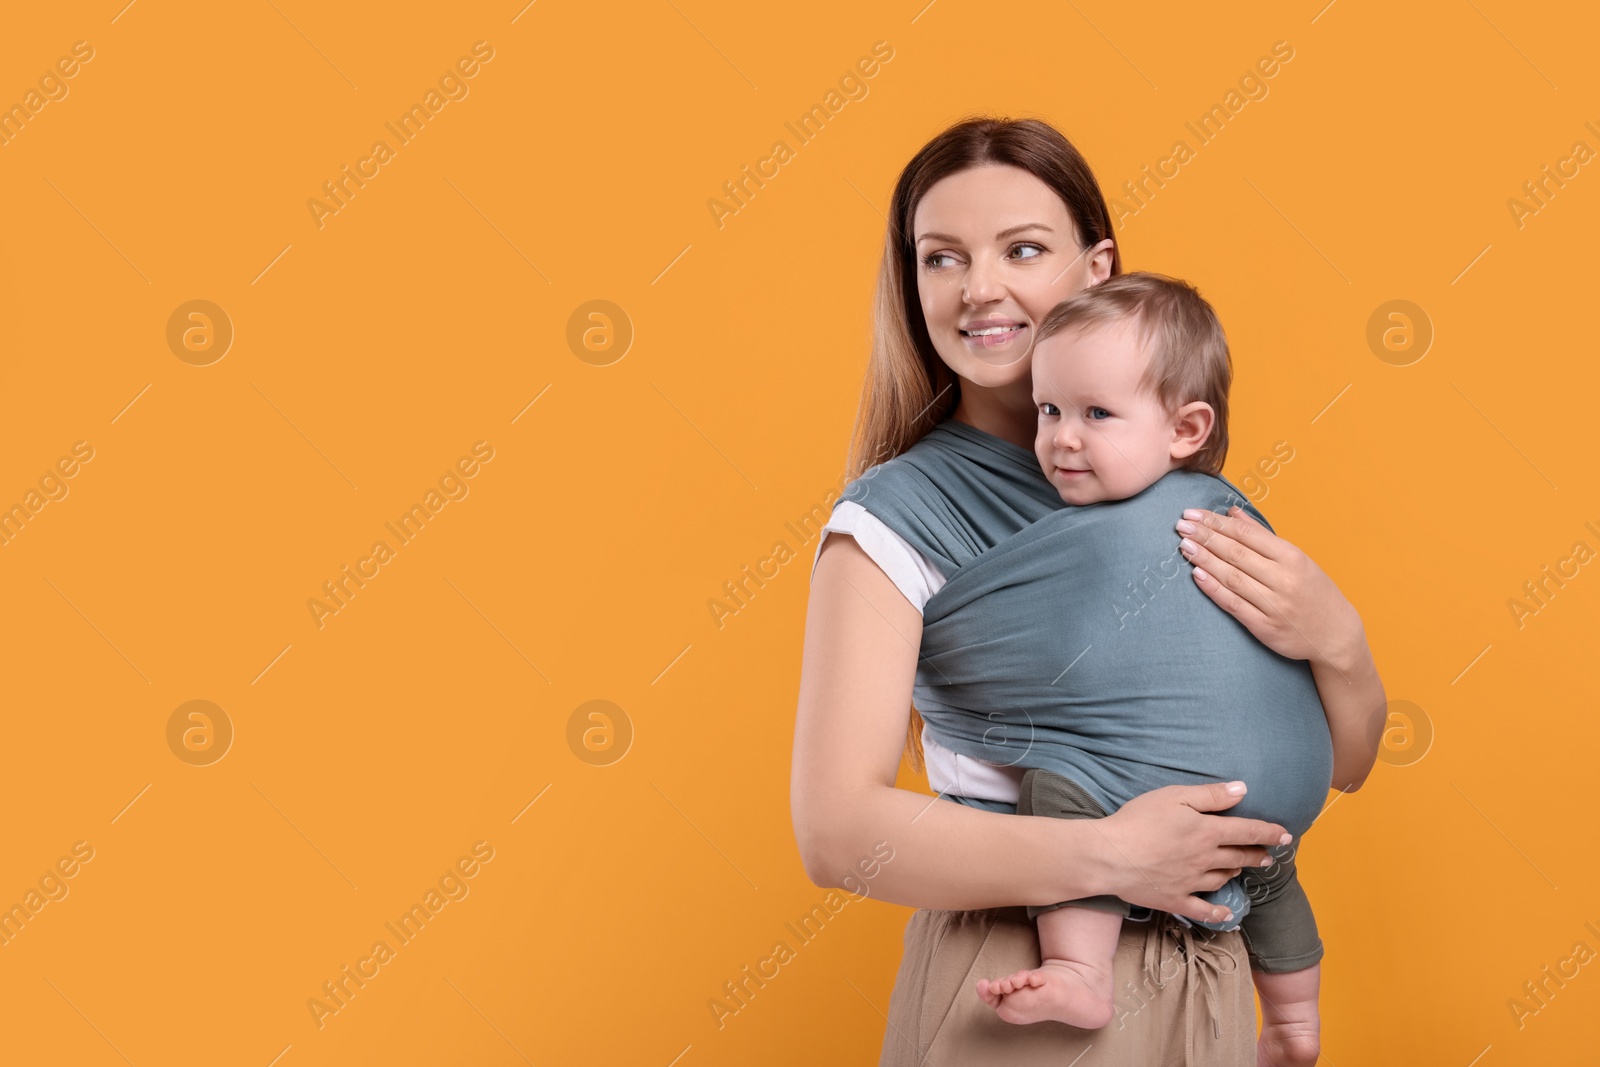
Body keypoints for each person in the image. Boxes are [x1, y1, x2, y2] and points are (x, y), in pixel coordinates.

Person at [790, 116, 1386, 1066]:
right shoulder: (893, 519)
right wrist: (1108, 855)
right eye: (942, 258)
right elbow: (835, 833)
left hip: (1215, 969)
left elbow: (1341, 762)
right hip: (1028, 975)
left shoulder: (1175, 483)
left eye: (1022, 249)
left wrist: (1340, 642)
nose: (980, 287)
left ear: (1096, 267)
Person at [946, 273, 1354, 1067]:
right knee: (1271, 880)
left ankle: (1078, 966)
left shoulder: (1121, 529)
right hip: (1277, 810)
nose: (1063, 438)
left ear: (1185, 429)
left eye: (1097, 414)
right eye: (1050, 410)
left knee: (1057, 790)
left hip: (1161, 788)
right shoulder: (1233, 512)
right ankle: (1296, 1020)